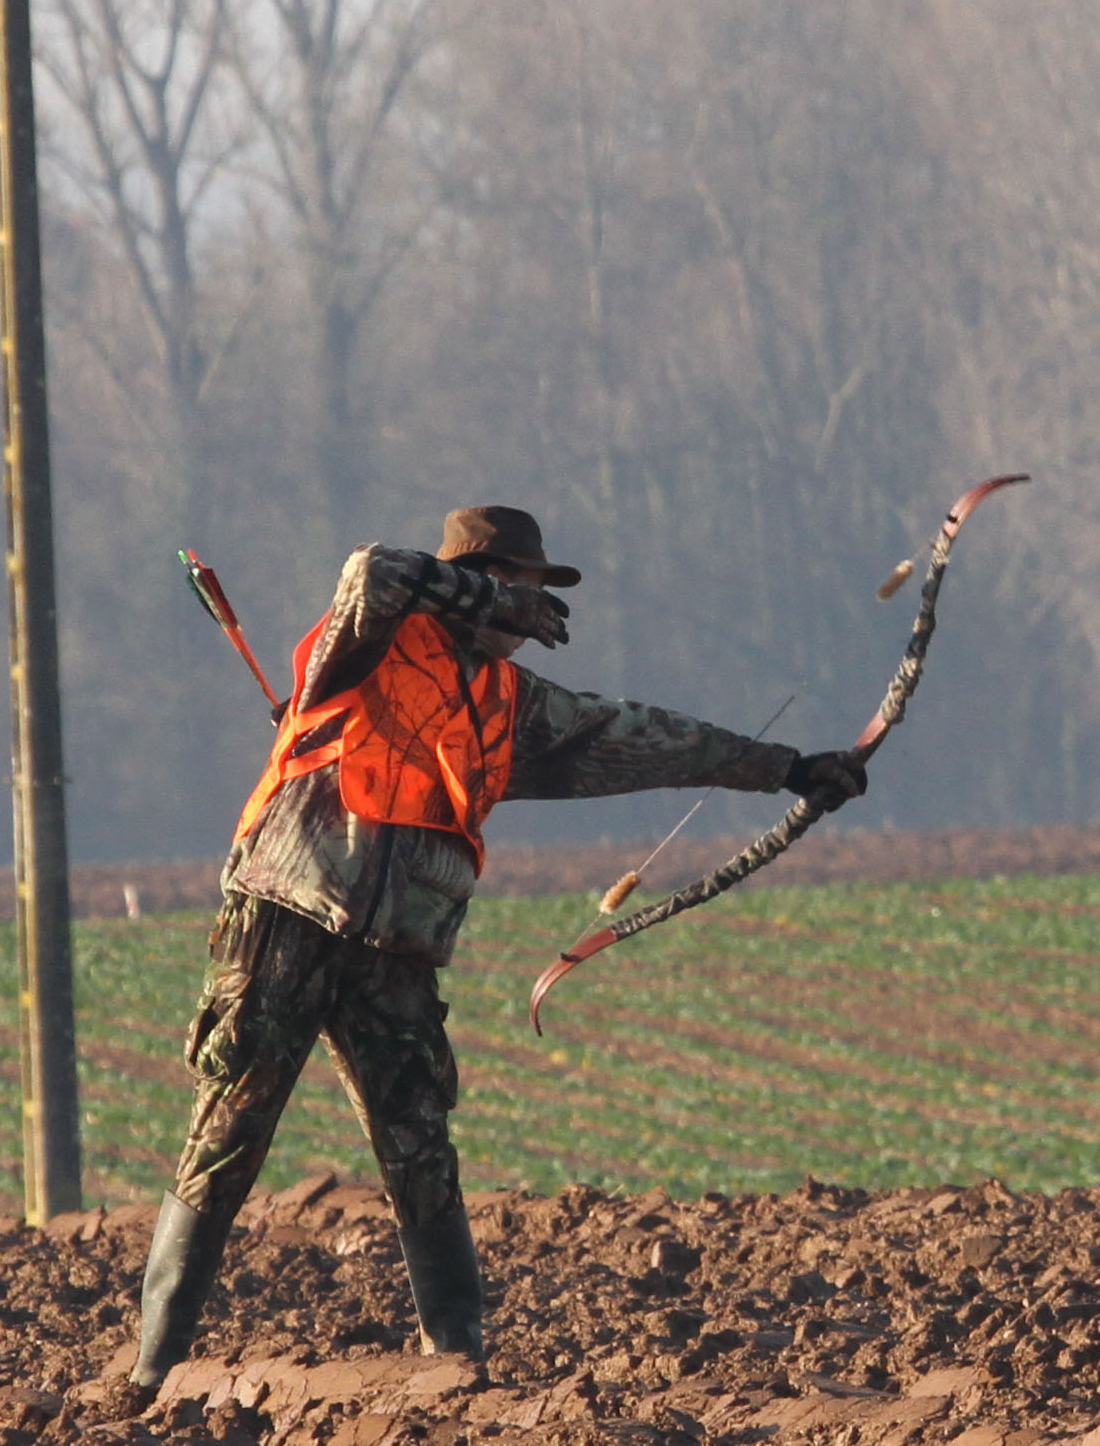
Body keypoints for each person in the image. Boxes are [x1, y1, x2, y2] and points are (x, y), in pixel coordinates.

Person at [128, 505, 866, 1385]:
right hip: (284, 916)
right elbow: (371, 568)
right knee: (230, 1134)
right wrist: (478, 595)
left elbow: (644, 736)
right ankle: (153, 1371)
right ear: (479, 579)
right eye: (520, 588)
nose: (530, 611)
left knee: (420, 1147)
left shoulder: (512, 705)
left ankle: (457, 1363)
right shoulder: (370, 637)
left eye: (533, 594)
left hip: (397, 951)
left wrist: (789, 769)